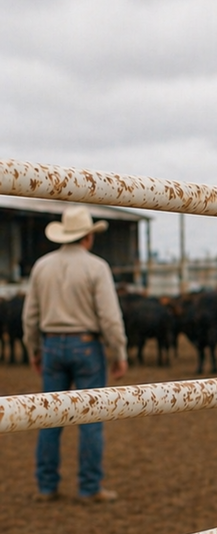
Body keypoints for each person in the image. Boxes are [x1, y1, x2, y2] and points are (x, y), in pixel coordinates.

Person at [22, 205, 128, 502]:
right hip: (86, 346)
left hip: (52, 345)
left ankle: (46, 486)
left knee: (49, 419)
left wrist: (34, 349)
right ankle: (89, 487)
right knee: (91, 420)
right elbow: (110, 317)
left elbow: (30, 316)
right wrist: (119, 352)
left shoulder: (42, 266)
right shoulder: (96, 267)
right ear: (88, 237)